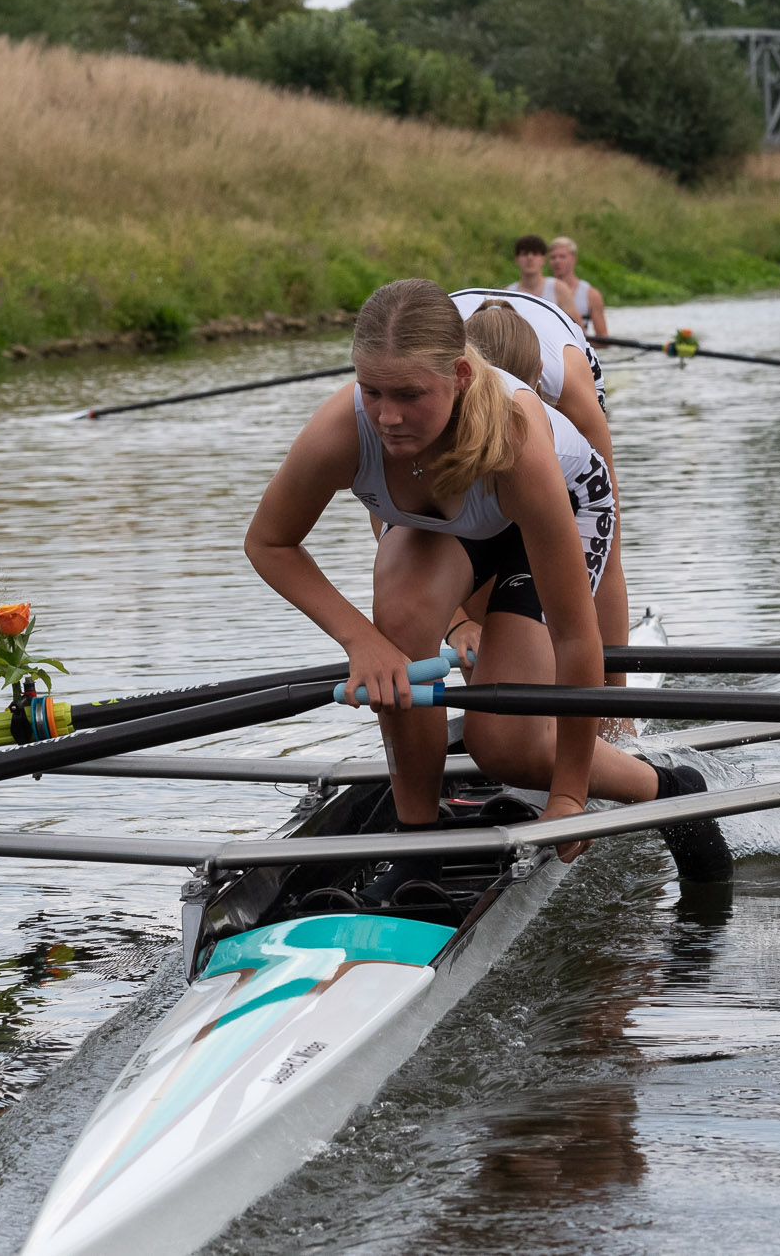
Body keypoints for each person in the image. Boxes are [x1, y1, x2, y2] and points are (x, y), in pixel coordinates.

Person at [244, 279, 725, 899]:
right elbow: (269, 543)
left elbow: (579, 636)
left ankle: (672, 789)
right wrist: (364, 643)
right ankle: (417, 848)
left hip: (558, 511)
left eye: (411, 395)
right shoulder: (342, 428)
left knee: (502, 743)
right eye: (373, 391)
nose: (388, 416)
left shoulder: (515, 437)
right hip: (453, 521)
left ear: (462, 377)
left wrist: (569, 795)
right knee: (399, 621)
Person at [454, 300, 632, 729]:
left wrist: (615, 704)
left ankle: (604, 709)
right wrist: (459, 626)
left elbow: (607, 562)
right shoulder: (427, 392)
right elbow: (404, 528)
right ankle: (493, 701)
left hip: (563, 365)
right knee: (477, 539)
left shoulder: (569, 393)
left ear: (536, 379)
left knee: (551, 544)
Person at [546, 236, 609, 341]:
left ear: (573, 259)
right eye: (553, 257)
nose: (557, 261)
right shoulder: (540, 289)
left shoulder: (592, 295)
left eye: (562, 257)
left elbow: (603, 340)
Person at [509, 233, 552, 301]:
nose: (530, 258)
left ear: (543, 259)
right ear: (516, 259)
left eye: (535, 254)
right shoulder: (508, 293)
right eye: (525, 254)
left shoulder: (558, 289)